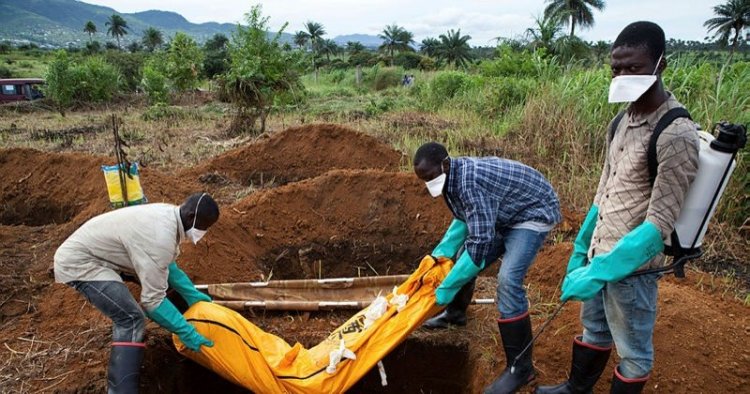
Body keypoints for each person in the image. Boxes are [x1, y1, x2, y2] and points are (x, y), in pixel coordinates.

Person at [535, 22, 699, 394]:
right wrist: (581, 250)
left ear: (660, 65)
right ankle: (577, 388)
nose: (623, 75)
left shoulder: (676, 133)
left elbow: (658, 225)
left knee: (634, 352)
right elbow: (603, 193)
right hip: (600, 253)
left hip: (632, 270)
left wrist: (602, 271)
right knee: (594, 328)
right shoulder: (620, 121)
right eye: (616, 68)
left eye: (633, 67)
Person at [414, 142, 561, 394]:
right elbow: (464, 220)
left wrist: (449, 285)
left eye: (431, 177)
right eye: (424, 179)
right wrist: (439, 254)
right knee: (461, 255)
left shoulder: (469, 183)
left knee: (508, 279)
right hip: (504, 211)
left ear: (445, 164)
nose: (429, 183)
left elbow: (480, 243)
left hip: (532, 212)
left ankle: (520, 369)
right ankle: (455, 314)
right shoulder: (450, 178)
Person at [54, 193, 221, 393]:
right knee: (131, 319)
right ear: (191, 215)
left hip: (100, 254)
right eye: (204, 226)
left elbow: (167, 266)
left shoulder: (168, 215)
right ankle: (121, 391)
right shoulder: (160, 237)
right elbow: (152, 302)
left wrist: (191, 294)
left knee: (158, 287)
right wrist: (185, 332)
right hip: (81, 263)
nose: (203, 232)